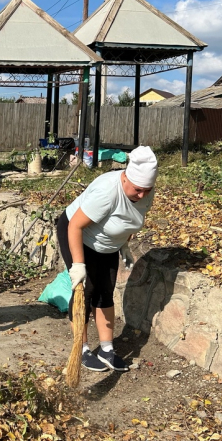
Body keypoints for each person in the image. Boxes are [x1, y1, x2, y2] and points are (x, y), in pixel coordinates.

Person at [56, 145, 157, 372]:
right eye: (138, 189)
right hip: (78, 235)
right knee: (86, 290)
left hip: (108, 244)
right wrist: (79, 265)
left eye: (147, 190)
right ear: (125, 179)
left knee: (106, 289)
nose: (142, 195)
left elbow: (130, 219)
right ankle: (80, 349)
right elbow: (75, 226)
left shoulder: (145, 191)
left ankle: (106, 349)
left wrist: (124, 244)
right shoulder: (107, 191)